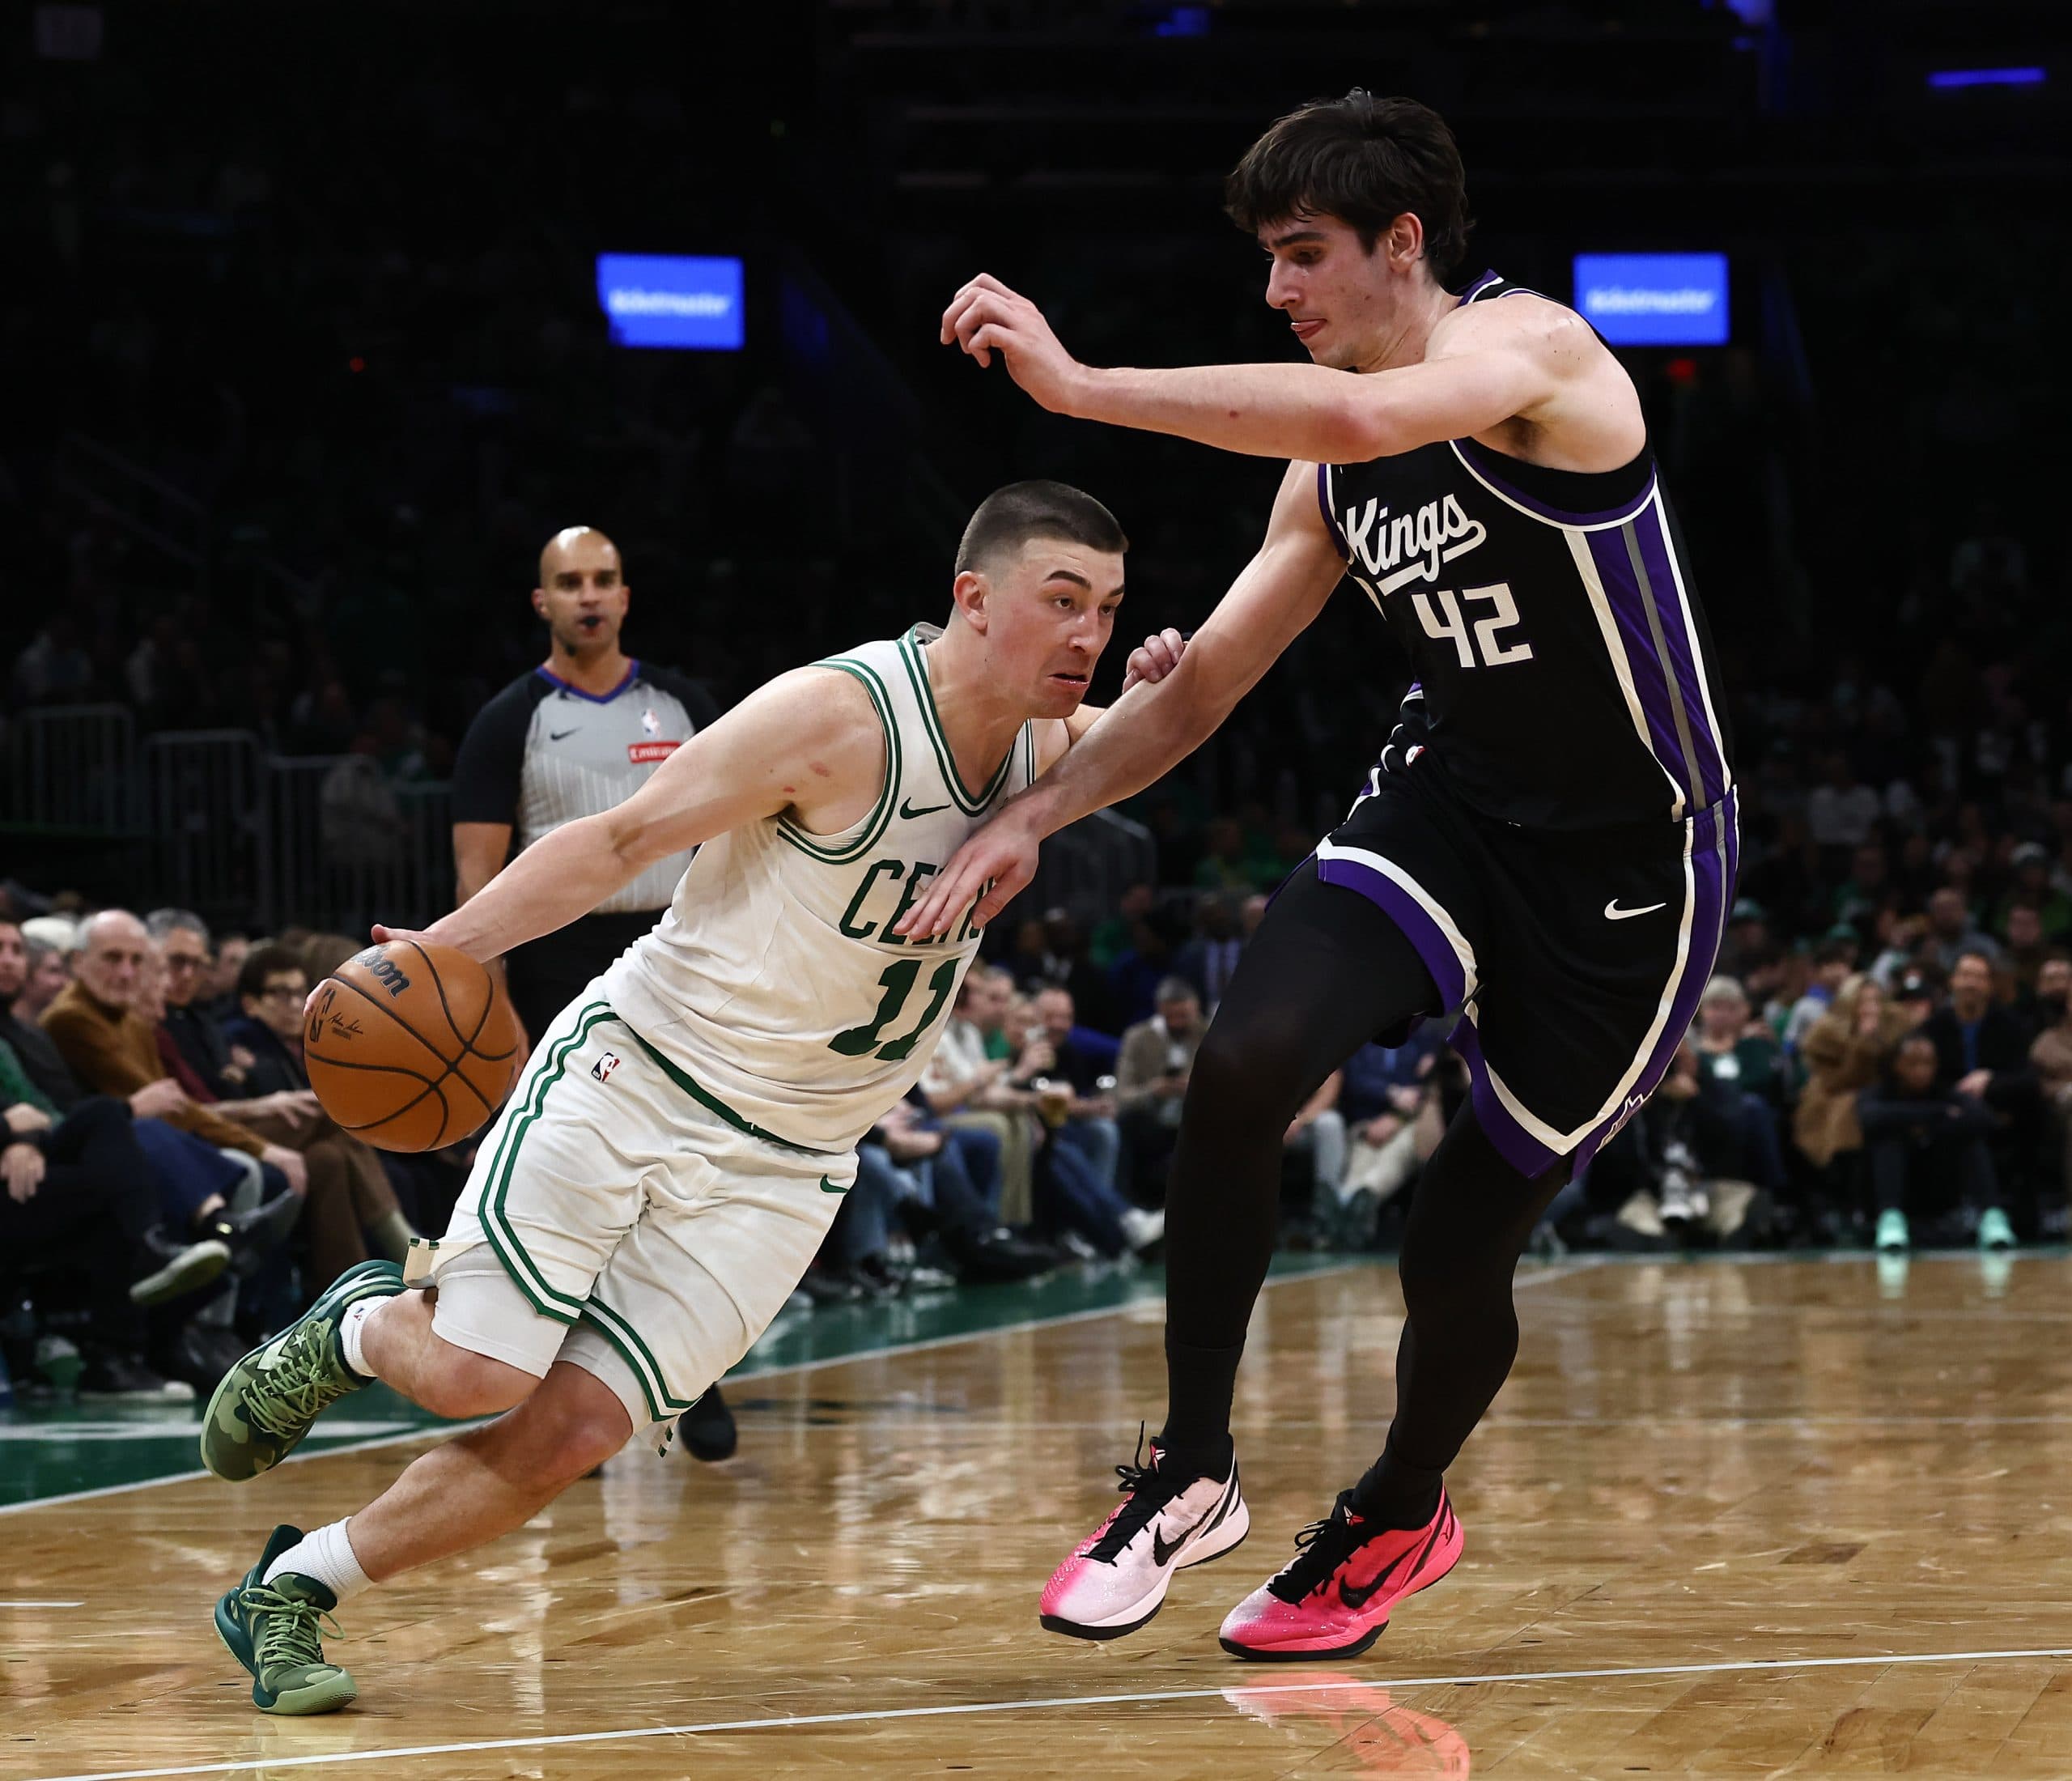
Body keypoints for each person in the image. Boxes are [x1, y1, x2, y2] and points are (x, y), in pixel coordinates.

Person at [905, 90, 1736, 1657]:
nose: (1276, 292)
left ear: (1400, 243)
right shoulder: (1327, 475)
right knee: (1243, 1058)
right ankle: (1191, 1463)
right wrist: (1040, 811)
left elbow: (1357, 415)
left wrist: (1077, 388)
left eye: (1301, 256)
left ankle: (1398, 1503)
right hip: (1449, 807)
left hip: (1630, 868)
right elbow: (1203, 682)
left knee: (1450, 1246)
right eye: (1269, 262)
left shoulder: (1538, 361)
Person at [196, 479, 1167, 1715]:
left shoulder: (1048, 743)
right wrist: (448, 948)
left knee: (574, 1433)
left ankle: (293, 1588)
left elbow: (1174, 716)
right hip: (643, 1076)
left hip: (795, 1158)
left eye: (1112, 610)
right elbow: (620, 842)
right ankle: (350, 1327)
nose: (1089, 635)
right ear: (974, 600)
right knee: (477, 1376)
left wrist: (1163, 678)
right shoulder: (837, 715)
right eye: (1063, 602)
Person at [448, 530, 740, 1463]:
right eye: (569, 583)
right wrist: (484, 1014)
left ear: (625, 594)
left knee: (701, 1166)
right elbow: (475, 885)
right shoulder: (507, 720)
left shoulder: (685, 703)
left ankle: (692, 1364)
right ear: (542, 602)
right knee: (586, 1167)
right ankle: (555, 1372)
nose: (588, 596)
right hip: (552, 959)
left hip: (685, 950)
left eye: (603, 580)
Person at [1858, 1032, 2011, 1252]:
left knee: (1972, 1141)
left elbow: (1985, 1119)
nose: (1921, 1070)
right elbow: (1869, 1118)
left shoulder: (1945, 1092)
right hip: (1895, 1189)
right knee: (1887, 1139)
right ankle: (1890, 1220)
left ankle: (1992, 1217)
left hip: (1941, 1185)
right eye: (1912, 1063)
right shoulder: (1878, 1093)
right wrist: (1938, 1114)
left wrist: (1925, 1125)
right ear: (1895, 1066)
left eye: (1927, 1063)